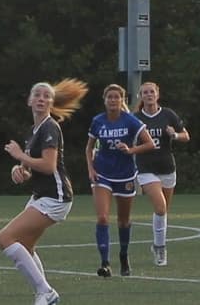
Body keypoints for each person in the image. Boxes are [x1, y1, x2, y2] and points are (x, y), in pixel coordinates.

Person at [0, 78, 87, 305]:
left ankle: (45, 292)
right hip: (41, 195)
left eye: (46, 96)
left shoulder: (50, 127)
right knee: (25, 246)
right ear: (29, 100)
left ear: (51, 103)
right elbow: (30, 168)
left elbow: (48, 166)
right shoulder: (33, 131)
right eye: (37, 94)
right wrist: (19, 171)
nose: (41, 98)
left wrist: (19, 156)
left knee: (5, 237)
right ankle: (45, 294)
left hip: (55, 197)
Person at [85, 82, 153, 277]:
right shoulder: (98, 120)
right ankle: (105, 263)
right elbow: (89, 147)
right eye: (110, 97)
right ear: (104, 100)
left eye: (117, 97)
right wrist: (90, 168)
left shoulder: (130, 120)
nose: (113, 100)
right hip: (102, 173)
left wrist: (131, 150)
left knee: (123, 221)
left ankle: (123, 256)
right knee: (103, 217)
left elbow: (149, 144)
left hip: (125, 174)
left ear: (122, 100)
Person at [135, 80, 189, 267]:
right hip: (146, 169)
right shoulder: (135, 118)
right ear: (140, 96)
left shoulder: (168, 114)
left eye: (151, 92)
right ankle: (160, 248)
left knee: (163, 210)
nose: (149, 95)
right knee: (160, 207)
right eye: (145, 92)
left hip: (167, 168)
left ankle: (157, 243)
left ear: (157, 94)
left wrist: (174, 135)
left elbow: (186, 136)